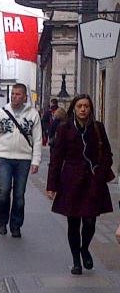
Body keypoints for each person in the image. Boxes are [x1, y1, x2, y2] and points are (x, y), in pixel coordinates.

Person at [46, 94, 114, 275]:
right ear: (74, 109)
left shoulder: (98, 128)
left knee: (90, 220)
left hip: (93, 181)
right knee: (73, 222)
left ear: (90, 108)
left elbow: (107, 152)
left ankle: (85, 248)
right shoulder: (64, 129)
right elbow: (56, 158)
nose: (83, 109)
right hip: (71, 181)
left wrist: (101, 170)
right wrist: (51, 185)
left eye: (86, 106)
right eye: (79, 106)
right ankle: (76, 259)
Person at [0, 83, 42, 238]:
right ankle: (2, 222)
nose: (14, 97)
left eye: (18, 94)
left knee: (19, 195)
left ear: (25, 97)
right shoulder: (1, 113)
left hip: (24, 159)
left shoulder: (33, 114)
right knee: (4, 191)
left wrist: (35, 161)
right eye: (13, 94)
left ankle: (16, 225)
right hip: (3, 157)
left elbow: (37, 139)